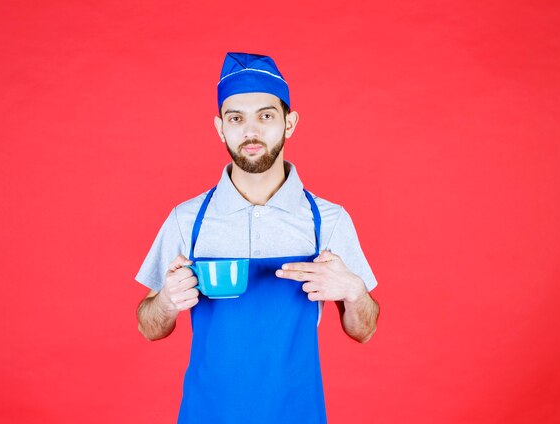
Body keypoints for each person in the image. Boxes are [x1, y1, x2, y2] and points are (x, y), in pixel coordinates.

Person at [135, 52, 380, 424]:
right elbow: (148, 326)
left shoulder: (327, 220)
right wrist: (167, 302)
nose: (251, 131)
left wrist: (355, 292)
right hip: (207, 412)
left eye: (266, 116)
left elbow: (364, 330)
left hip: (298, 412)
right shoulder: (188, 220)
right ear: (220, 128)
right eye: (236, 118)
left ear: (289, 123)